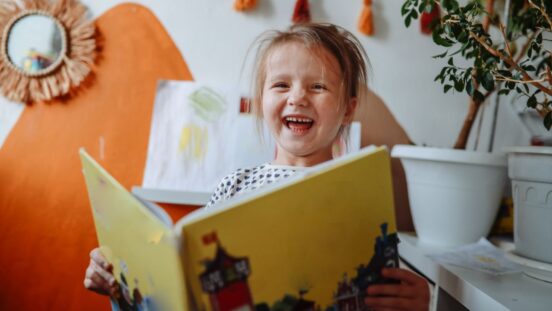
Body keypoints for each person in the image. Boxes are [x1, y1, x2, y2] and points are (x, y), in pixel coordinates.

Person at [85, 23, 430, 310]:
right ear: (260, 101)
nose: (297, 97)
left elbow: (378, 291)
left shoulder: (360, 196)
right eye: (281, 85)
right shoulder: (234, 186)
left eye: (318, 86)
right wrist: (121, 280)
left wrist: (418, 304)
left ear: (348, 108)